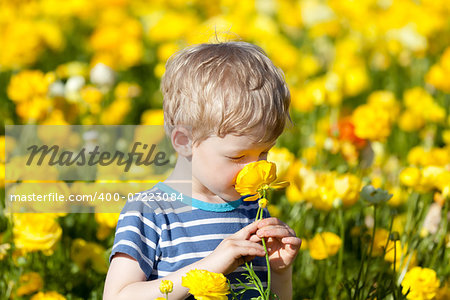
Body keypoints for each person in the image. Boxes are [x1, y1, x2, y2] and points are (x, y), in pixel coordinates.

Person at [103, 41, 301, 300]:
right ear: (184, 141)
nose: (256, 168)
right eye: (237, 156)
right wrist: (210, 267)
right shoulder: (150, 212)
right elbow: (117, 296)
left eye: (264, 152)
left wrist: (280, 272)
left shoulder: (252, 208)